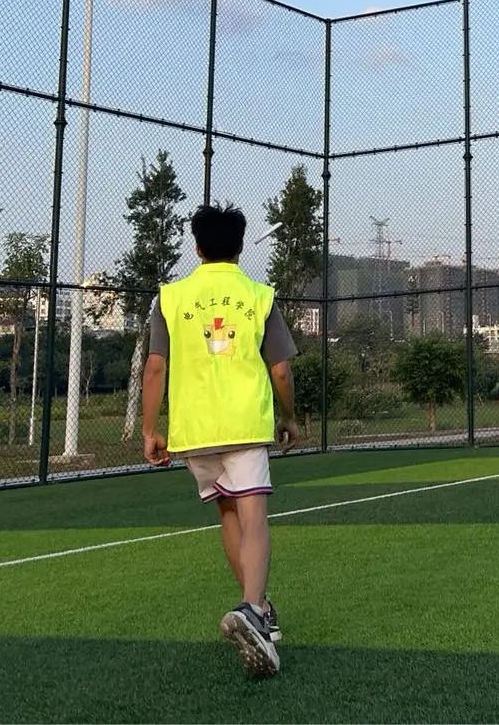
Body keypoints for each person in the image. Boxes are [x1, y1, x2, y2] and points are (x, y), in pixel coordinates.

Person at [141, 203, 299, 679]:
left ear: (196, 247)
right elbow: (280, 369)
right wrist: (289, 417)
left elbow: (155, 367)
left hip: (194, 430)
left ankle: (259, 609)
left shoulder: (171, 298)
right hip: (244, 423)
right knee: (253, 515)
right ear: (241, 246)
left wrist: (150, 430)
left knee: (227, 512)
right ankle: (252, 607)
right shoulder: (258, 296)